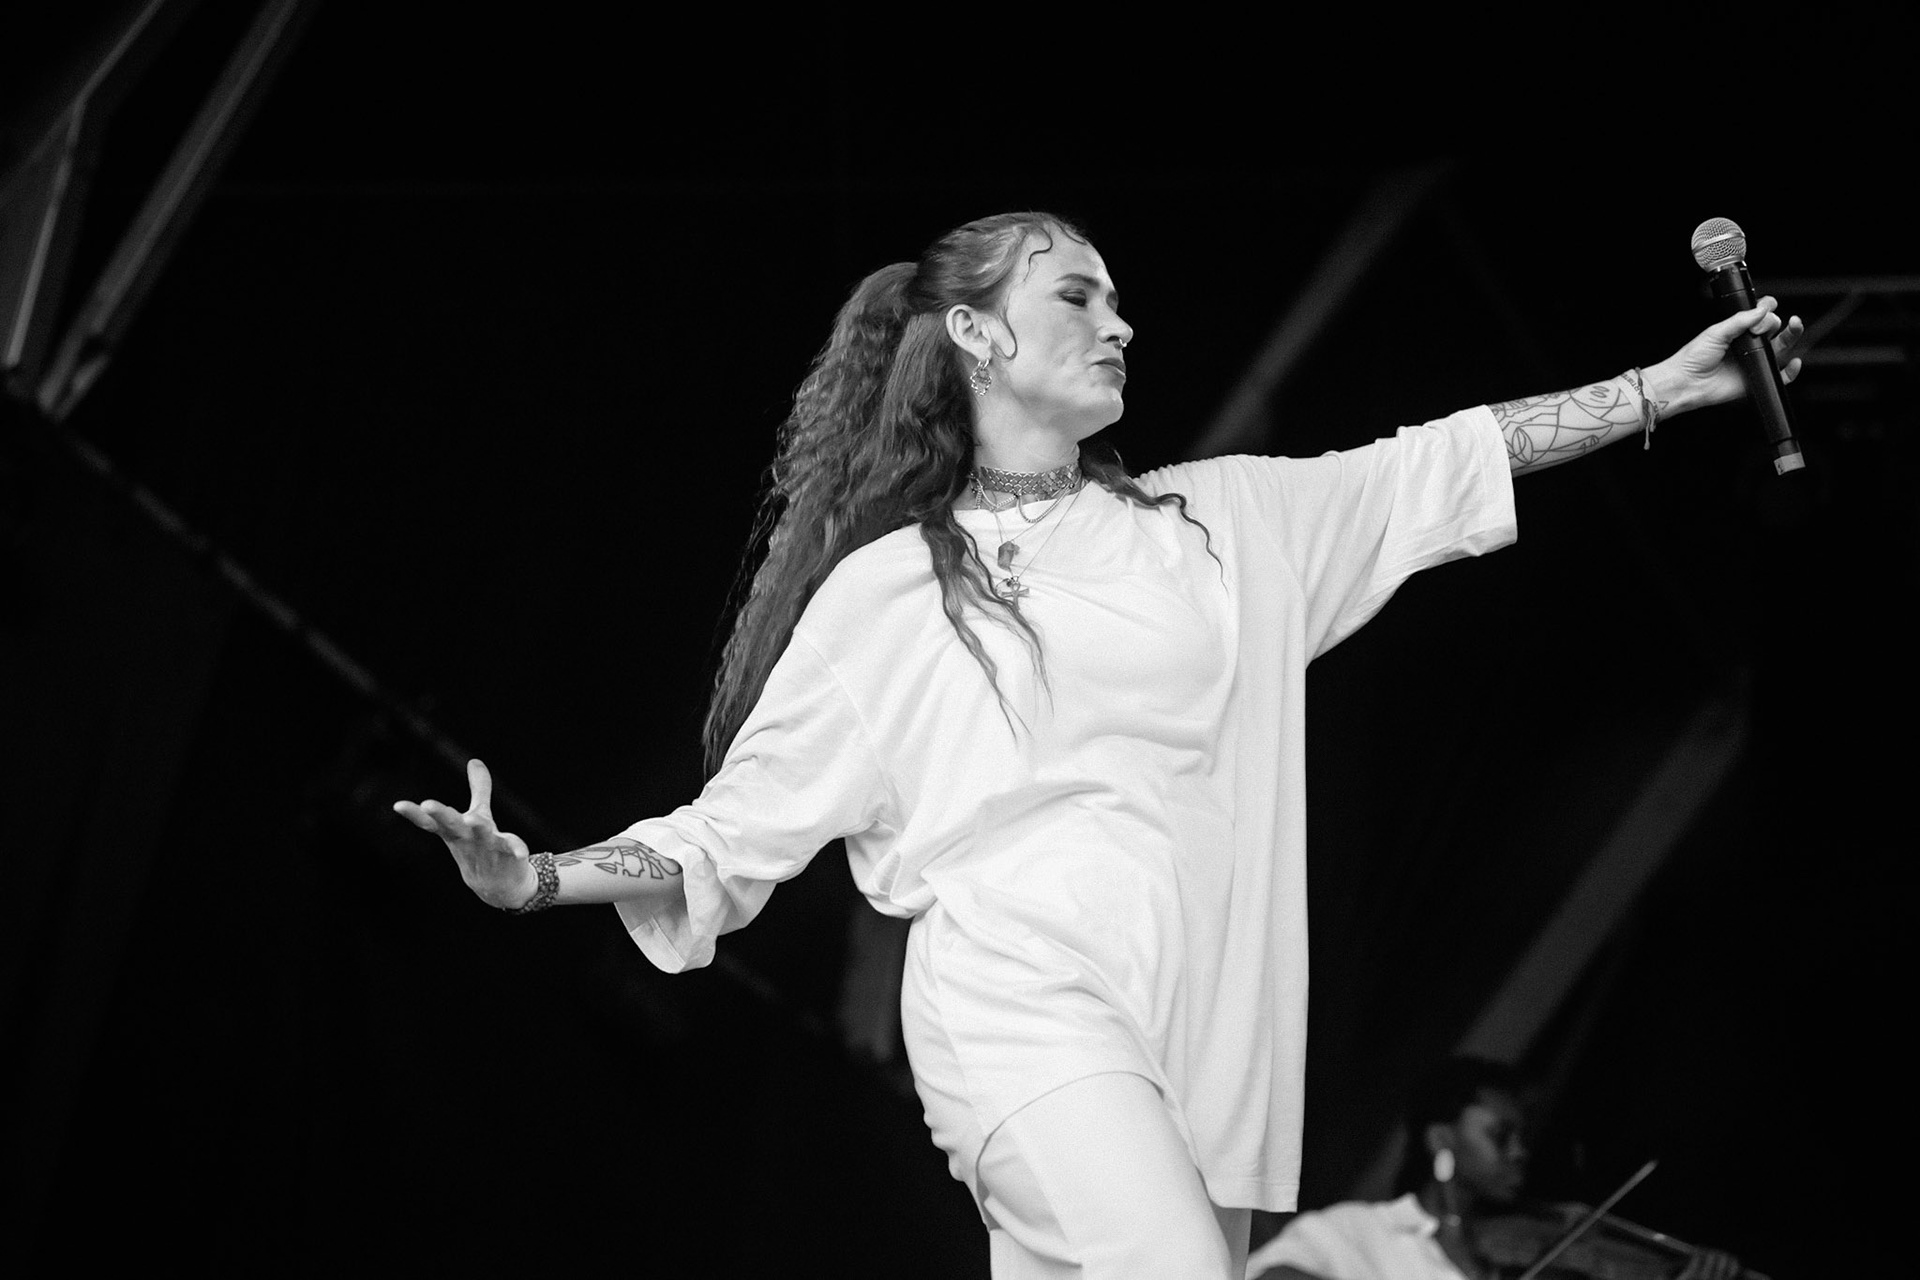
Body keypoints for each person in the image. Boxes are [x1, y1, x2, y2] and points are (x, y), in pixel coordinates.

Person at [393, 211, 1802, 1278]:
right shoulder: (894, 591)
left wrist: (1662, 394)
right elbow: (731, 826)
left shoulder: (1221, 524)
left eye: (1121, 300)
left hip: (1210, 1042)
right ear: (981, 335)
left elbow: (1439, 464)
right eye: (1079, 294)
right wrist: (545, 876)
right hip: (1021, 1011)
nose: (1120, 322)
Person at [1244, 1057, 1745, 1280]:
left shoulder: (1524, 1254)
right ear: (1441, 1138)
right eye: (1500, 1136)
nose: (1520, 1152)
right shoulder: (1362, 1231)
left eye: (1522, 1138)